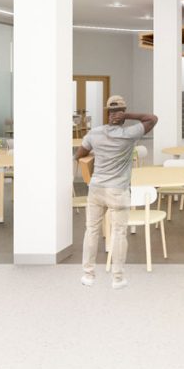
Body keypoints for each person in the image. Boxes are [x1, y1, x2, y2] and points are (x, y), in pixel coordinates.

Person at [76, 95, 157, 290]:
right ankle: (117, 278)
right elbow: (152, 118)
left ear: (107, 113)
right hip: (118, 191)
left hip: (96, 189)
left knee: (91, 230)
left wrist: (96, 153)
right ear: (122, 113)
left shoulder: (95, 133)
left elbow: (79, 155)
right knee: (119, 233)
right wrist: (126, 116)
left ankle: (88, 275)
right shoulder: (129, 134)